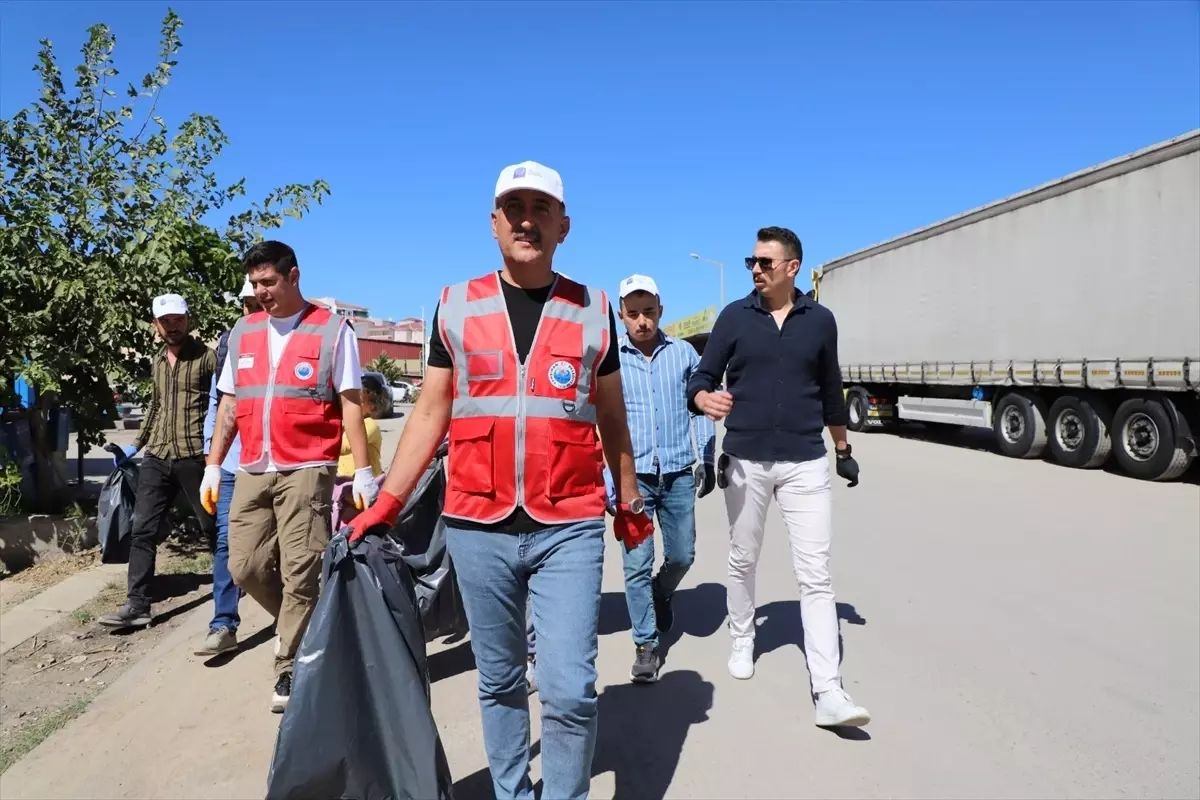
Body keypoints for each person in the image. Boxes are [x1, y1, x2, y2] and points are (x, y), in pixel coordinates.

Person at [346, 160, 651, 800]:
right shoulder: (454, 306)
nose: (526, 219)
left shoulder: (594, 309)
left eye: (541, 208)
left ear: (562, 226)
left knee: (569, 686)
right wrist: (387, 502)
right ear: (493, 223)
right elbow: (430, 410)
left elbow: (612, 416)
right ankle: (514, 793)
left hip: (568, 520)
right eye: (514, 207)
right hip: (476, 521)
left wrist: (627, 497)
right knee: (500, 679)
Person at [686, 225, 870, 729]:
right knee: (743, 558)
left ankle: (828, 690)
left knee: (816, 573)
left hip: (805, 462)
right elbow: (702, 377)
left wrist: (843, 448)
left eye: (766, 262)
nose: (756, 269)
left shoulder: (821, 321)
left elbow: (831, 388)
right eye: (752, 261)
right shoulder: (734, 317)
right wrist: (703, 397)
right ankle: (743, 637)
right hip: (745, 460)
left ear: (793, 267)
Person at [203, 240, 379, 713]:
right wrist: (214, 464)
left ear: (294, 275)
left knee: (301, 569)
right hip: (254, 466)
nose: (261, 292)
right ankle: (311, 628)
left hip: (307, 466)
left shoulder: (331, 330)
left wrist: (363, 471)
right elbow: (230, 403)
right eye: (254, 284)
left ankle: (290, 663)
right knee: (245, 565)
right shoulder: (243, 331)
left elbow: (349, 403)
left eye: (269, 282)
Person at [608, 273, 716, 683]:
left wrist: (706, 454)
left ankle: (663, 591)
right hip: (632, 480)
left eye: (648, 312)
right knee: (637, 563)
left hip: (677, 474)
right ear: (621, 315)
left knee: (683, 555)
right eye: (633, 313)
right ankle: (646, 644)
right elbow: (602, 422)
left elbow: (699, 405)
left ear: (660, 311)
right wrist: (608, 479)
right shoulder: (611, 360)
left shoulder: (685, 354)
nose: (642, 321)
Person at [99, 294, 218, 629]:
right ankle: (138, 605)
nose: (173, 326)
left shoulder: (207, 359)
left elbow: (224, 404)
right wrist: (135, 447)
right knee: (142, 529)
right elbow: (155, 406)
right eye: (165, 321)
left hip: (196, 455)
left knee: (211, 527)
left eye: (178, 319)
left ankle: (231, 586)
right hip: (158, 455)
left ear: (188, 320)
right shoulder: (156, 361)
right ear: (156, 325)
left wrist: (219, 452)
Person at [195, 278, 261, 656]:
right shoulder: (229, 344)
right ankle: (223, 623)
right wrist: (212, 462)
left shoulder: (283, 341)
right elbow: (218, 406)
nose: (252, 310)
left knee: (275, 548)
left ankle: (290, 623)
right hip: (234, 464)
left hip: (273, 465)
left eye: (258, 303)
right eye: (247, 304)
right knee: (225, 542)